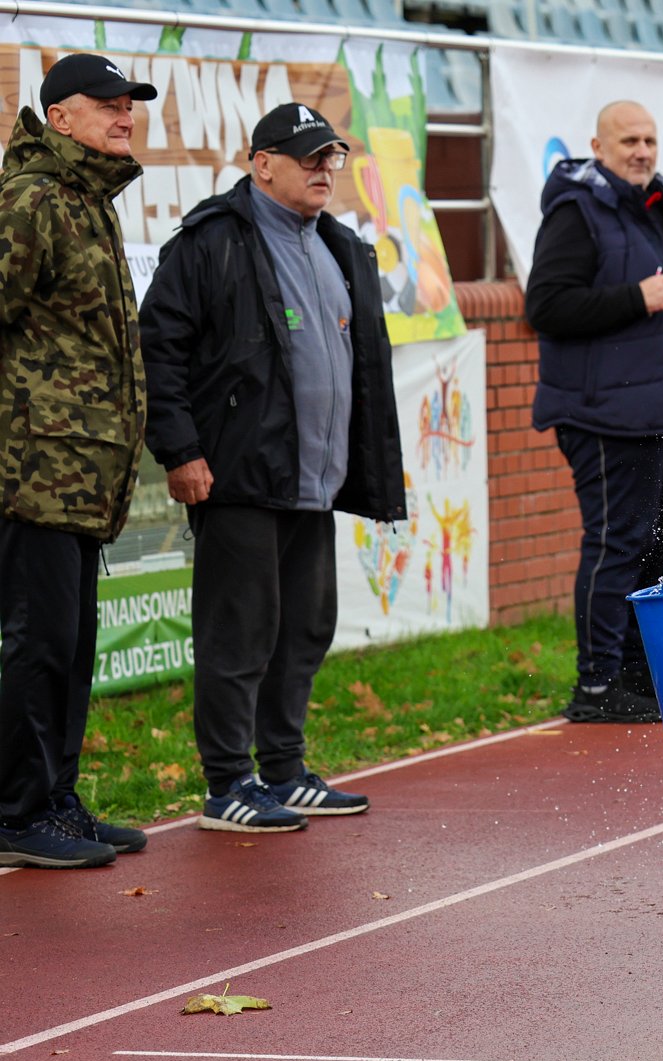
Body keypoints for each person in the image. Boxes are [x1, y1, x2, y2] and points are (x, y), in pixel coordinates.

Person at [140, 103, 405, 833]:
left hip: (315, 479)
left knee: (304, 629)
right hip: (240, 475)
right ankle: (228, 783)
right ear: (261, 164)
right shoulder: (212, 240)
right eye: (308, 157)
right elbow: (160, 348)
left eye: (331, 157)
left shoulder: (341, 246)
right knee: (240, 634)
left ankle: (284, 770)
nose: (325, 169)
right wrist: (181, 450)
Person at [525, 100, 663, 725]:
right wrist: (632, 299)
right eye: (628, 141)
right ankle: (596, 685)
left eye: (649, 140)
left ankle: (641, 675)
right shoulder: (576, 211)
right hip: (606, 418)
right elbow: (545, 306)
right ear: (598, 147)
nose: (641, 151)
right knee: (618, 543)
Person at [0, 54, 159, 869]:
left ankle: (57, 799)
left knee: (69, 645)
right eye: (106, 104)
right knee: (38, 643)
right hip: (34, 473)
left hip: (85, 478)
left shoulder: (88, 200)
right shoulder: (31, 199)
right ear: (59, 117)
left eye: (129, 103)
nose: (124, 114)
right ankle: (16, 812)